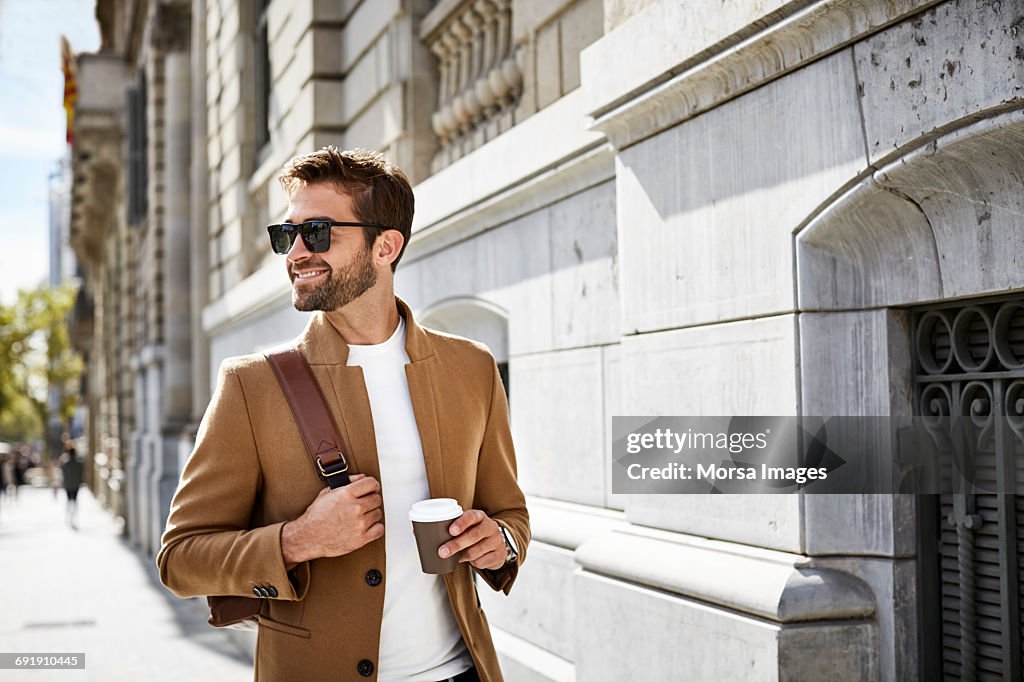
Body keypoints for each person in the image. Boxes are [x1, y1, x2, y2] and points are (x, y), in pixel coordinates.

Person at [157, 147, 529, 682]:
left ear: (386, 245)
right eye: (287, 235)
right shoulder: (250, 385)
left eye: (318, 232)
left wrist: (501, 542)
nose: (296, 253)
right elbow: (181, 559)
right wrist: (298, 540)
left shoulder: (470, 368)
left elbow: (510, 512)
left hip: (460, 672)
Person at [60, 446, 84, 529]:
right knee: (74, 501)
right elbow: (81, 474)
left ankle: (69, 517)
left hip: (68, 485)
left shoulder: (65, 463)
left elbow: (63, 474)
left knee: (69, 501)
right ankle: (72, 516)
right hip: (75, 484)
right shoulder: (78, 463)